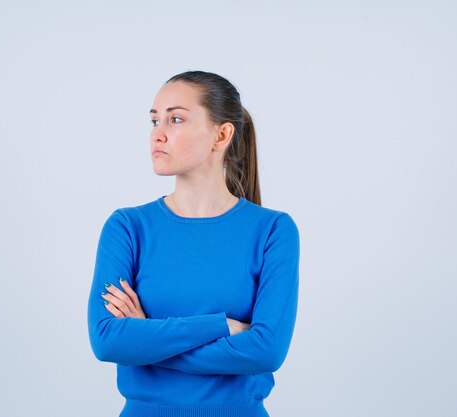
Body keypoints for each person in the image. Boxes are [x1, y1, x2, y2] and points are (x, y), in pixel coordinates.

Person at [87, 70, 300, 417]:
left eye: (175, 119)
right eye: (154, 120)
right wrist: (219, 326)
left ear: (222, 135)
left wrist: (146, 338)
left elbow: (267, 351)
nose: (158, 134)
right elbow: (108, 339)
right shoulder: (127, 227)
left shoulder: (273, 230)